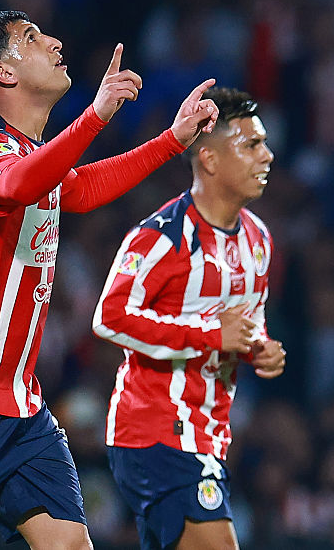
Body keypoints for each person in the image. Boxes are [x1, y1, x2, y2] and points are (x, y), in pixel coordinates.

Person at [0, 10, 219, 550]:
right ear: (5, 73)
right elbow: (17, 186)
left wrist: (172, 140)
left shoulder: (30, 157)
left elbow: (78, 188)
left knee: (67, 545)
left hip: (19, 406)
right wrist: (93, 117)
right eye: (32, 39)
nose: (55, 42)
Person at [92, 87, 286, 550]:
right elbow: (110, 316)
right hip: (155, 431)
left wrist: (260, 346)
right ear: (210, 159)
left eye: (265, 142)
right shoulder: (162, 236)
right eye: (251, 145)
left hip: (211, 436)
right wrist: (209, 335)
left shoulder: (258, 240)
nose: (268, 155)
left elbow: (246, 322)